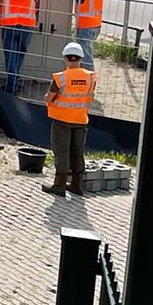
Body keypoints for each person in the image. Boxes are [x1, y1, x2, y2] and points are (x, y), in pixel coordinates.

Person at [44, 41, 95, 199]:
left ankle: (59, 185)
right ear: (81, 58)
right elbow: (89, 96)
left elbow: (49, 98)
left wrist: (47, 99)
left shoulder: (60, 78)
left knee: (62, 151)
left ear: (65, 59)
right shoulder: (91, 77)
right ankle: (76, 184)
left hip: (61, 120)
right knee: (77, 151)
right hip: (81, 119)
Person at [0, 0, 38, 94]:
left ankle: (12, 85)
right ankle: (14, 82)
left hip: (10, 24)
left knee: (10, 55)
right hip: (27, 25)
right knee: (20, 54)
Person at [70, 0, 105, 68]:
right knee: (86, 50)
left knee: (86, 55)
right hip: (96, 25)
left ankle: (89, 77)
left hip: (85, 26)